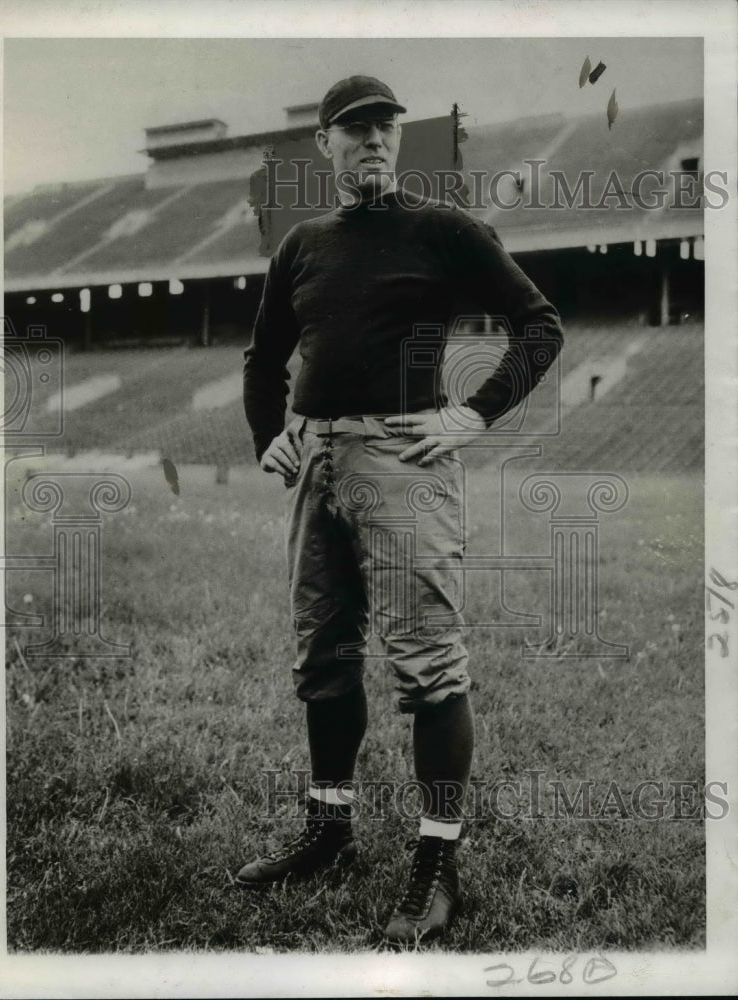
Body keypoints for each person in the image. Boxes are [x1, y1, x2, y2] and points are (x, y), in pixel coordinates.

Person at [240, 74, 564, 944]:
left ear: (399, 139)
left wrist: (469, 414)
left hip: (403, 459)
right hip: (314, 458)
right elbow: (262, 354)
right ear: (326, 144)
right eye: (355, 129)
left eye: (386, 127)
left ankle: (436, 858)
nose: (374, 140)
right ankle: (328, 826)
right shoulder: (302, 242)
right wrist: (268, 432)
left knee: (427, 663)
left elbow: (540, 326)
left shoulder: (445, 229)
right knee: (322, 650)